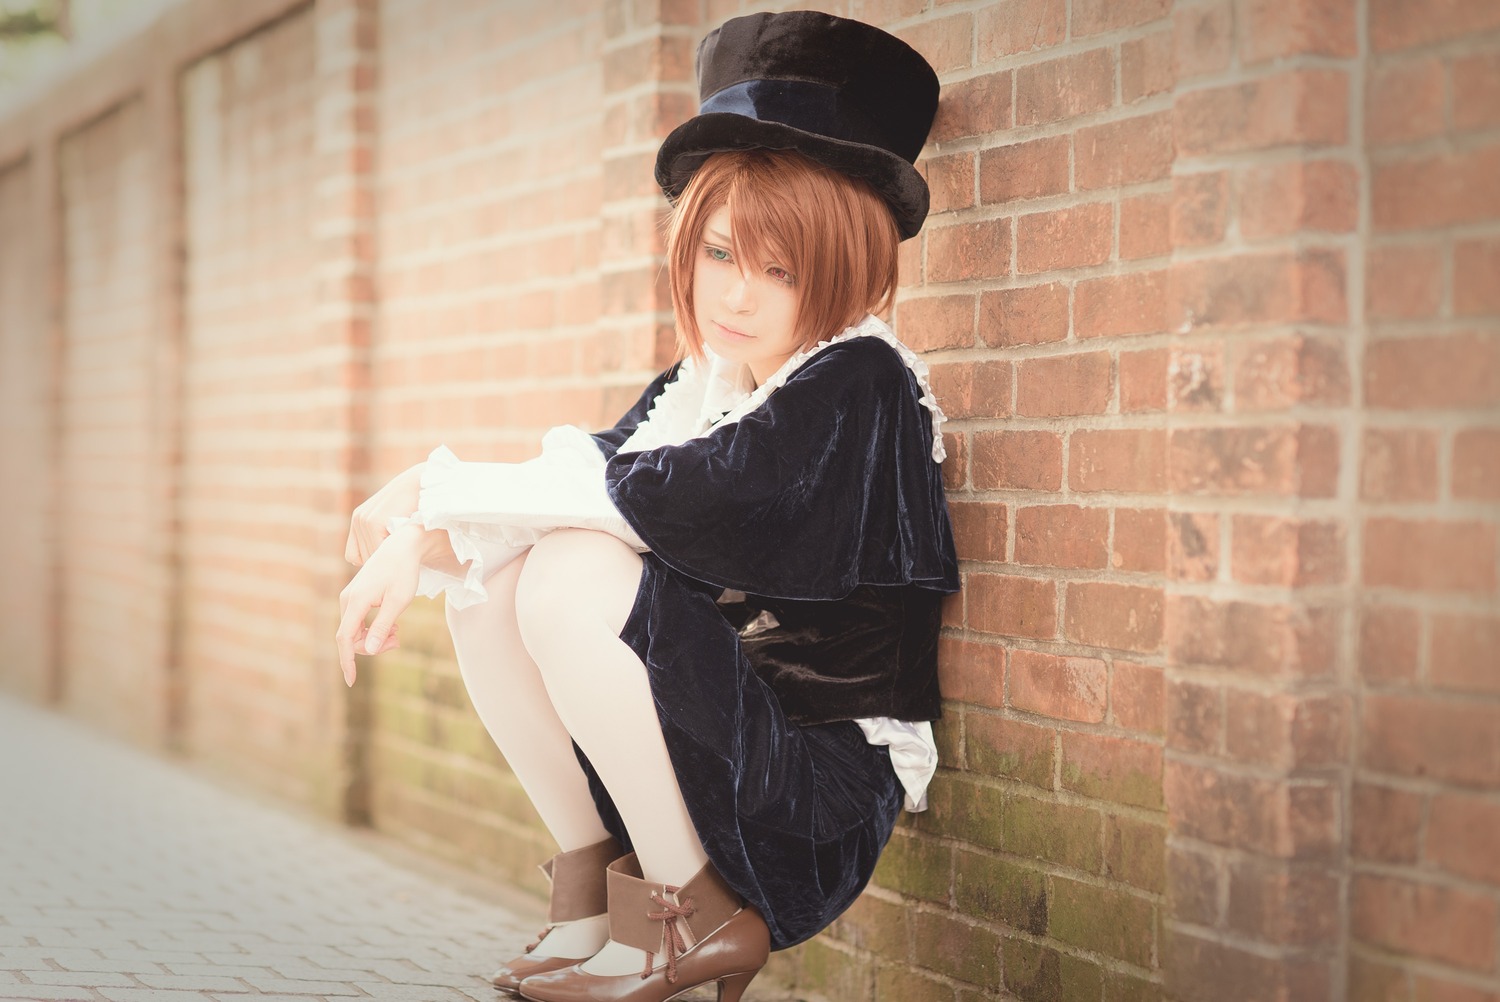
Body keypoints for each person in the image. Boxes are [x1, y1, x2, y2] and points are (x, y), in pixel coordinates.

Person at [335, 11, 957, 1002]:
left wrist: (431, 493)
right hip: (702, 761)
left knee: (577, 564)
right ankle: (594, 899)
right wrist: (429, 532)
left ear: (843, 263)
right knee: (501, 580)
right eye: (718, 255)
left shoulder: (860, 384)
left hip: (805, 801)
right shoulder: (711, 381)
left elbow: (655, 498)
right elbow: (596, 468)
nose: (736, 298)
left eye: (778, 269)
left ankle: (690, 916)